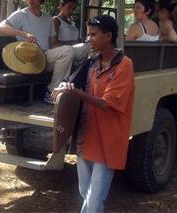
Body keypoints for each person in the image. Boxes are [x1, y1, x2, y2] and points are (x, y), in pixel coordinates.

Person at [52, 15, 135, 213]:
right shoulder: (93, 61)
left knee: (95, 200)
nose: (89, 38)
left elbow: (107, 104)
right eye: (88, 34)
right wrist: (65, 86)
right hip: (86, 137)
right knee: (85, 192)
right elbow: (72, 81)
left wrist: (76, 92)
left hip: (108, 139)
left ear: (108, 36)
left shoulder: (124, 65)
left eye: (93, 34)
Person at [0, 0, 78, 103]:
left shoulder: (47, 18)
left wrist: (74, 45)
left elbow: (52, 43)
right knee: (67, 51)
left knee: (80, 50)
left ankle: (76, 88)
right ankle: (52, 93)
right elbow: (0, 28)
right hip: (29, 58)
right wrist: (24, 34)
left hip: (45, 55)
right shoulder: (21, 15)